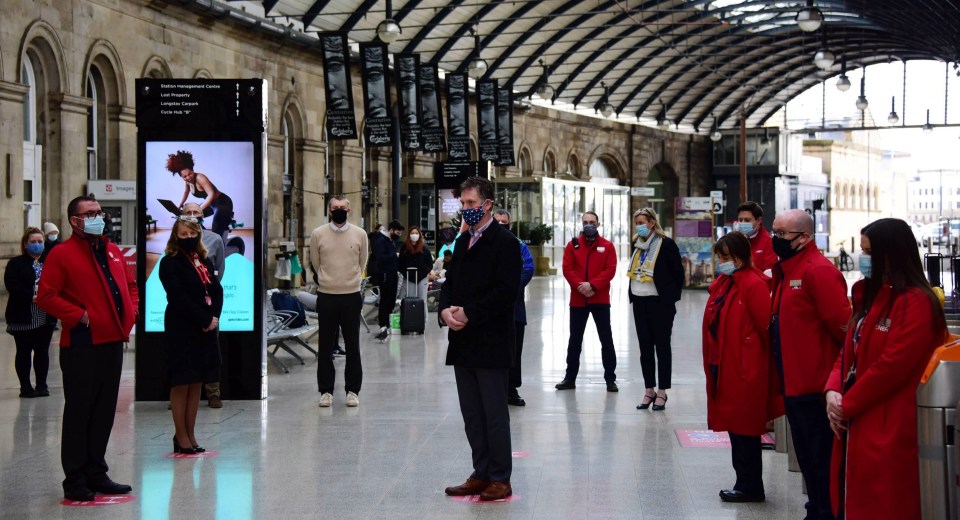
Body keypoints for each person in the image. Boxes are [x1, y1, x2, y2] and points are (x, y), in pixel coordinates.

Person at [824, 218, 946, 519]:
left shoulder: (916, 302)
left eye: (869, 252)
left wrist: (847, 404)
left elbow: (893, 365)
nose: (863, 259)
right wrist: (832, 390)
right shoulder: (874, 296)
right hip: (861, 416)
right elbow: (849, 349)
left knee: (887, 502)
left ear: (891, 254)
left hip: (891, 421)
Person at [36, 195, 138, 502]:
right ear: (74, 221)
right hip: (82, 344)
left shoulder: (111, 249)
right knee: (80, 411)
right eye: (90, 213)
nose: (98, 217)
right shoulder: (61, 254)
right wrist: (81, 316)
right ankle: (75, 478)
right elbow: (47, 296)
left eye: (99, 212)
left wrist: (130, 312)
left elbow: (130, 286)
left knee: (105, 410)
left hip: (112, 342)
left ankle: (97, 471)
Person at [440, 177, 520, 502]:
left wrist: (470, 312)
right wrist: (445, 310)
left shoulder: (505, 243)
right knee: (472, 414)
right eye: (463, 204)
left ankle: (500, 478)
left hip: (491, 340)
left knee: (494, 414)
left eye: (471, 204)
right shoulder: (461, 243)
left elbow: (506, 293)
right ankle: (480, 472)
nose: (466, 209)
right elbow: (449, 281)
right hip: (462, 341)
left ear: (487, 205)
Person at [770, 208, 850, 520]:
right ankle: (816, 507)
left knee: (820, 455)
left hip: (814, 382)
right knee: (806, 452)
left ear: (804, 237)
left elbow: (841, 325)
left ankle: (826, 511)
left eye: (782, 234)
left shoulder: (817, 271)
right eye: (775, 231)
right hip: (793, 378)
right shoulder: (788, 269)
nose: (776, 239)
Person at [702, 232, 784, 503]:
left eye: (725, 257)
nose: (721, 262)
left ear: (739, 256)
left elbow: (766, 329)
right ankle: (744, 482)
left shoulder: (752, 283)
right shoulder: (727, 282)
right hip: (727, 366)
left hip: (746, 369)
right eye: (719, 257)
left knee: (745, 430)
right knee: (736, 429)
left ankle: (750, 486)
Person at [158, 217, 223, 455]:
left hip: (205, 328)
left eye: (191, 234)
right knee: (181, 382)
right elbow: (178, 298)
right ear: (176, 236)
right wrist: (204, 320)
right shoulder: (169, 263)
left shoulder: (202, 260)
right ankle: (181, 436)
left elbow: (216, 290)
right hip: (182, 326)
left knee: (196, 381)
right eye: (183, 234)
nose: (187, 238)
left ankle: (191, 433)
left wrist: (213, 317)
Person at [308, 196, 368, 407]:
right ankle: (326, 391)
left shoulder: (360, 234)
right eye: (335, 208)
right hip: (326, 295)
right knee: (325, 346)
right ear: (329, 210)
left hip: (351, 295)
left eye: (343, 208)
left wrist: (350, 280)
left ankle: (353, 390)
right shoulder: (318, 234)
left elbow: (362, 262)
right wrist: (328, 279)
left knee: (353, 345)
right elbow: (316, 263)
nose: (339, 210)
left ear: (349, 210)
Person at [556, 211, 620, 393]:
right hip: (578, 300)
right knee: (574, 340)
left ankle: (610, 379)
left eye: (592, 222)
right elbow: (567, 269)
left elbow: (610, 270)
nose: (588, 225)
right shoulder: (572, 246)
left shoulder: (607, 246)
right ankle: (570, 378)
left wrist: (592, 285)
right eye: (585, 222)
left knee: (606, 339)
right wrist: (580, 286)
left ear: (598, 224)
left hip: (600, 299)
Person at [628, 208, 684, 410]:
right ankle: (648, 389)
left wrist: (670, 302)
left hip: (659, 303)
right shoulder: (637, 244)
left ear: (652, 223)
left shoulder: (666, 244)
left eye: (642, 222)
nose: (639, 226)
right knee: (645, 349)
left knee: (662, 347)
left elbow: (678, 274)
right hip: (640, 300)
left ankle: (662, 391)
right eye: (637, 223)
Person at [182, 202, 226, 408]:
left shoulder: (214, 240)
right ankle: (181, 393)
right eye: (188, 213)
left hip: (207, 306)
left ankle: (213, 393)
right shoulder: (175, 242)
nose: (192, 216)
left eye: (196, 213)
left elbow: (219, 272)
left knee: (211, 350)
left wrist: (213, 312)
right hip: (184, 306)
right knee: (184, 351)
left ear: (203, 216)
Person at [4, 227, 57, 398]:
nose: (37, 245)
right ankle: (25, 387)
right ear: (25, 244)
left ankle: (42, 385)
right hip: (23, 313)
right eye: (33, 242)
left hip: (45, 314)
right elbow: (11, 285)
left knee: (42, 351)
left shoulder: (50, 262)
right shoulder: (16, 263)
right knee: (24, 351)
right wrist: (30, 296)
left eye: (40, 241)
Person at [492, 209, 535, 406]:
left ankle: (511, 388)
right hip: (490, 309)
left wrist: (509, 289)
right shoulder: (485, 243)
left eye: (504, 222)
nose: (501, 224)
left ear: (510, 223)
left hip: (514, 307)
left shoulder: (519, 245)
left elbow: (528, 267)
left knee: (514, 350)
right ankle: (493, 389)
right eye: (497, 221)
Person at [168, 150, 235, 237]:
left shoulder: (200, 177)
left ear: (193, 170)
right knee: (187, 217)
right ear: (181, 177)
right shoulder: (188, 181)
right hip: (211, 204)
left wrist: (199, 210)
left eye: (190, 174)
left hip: (223, 203)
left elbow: (211, 194)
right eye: (185, 176)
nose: (188, 177)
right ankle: (206, 238)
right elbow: (186, 192)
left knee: (216, 229)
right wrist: (180, 205)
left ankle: (217, 243)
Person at [371, 220, 404, 342]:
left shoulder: (391, 241)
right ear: (391, 230)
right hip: (384, 274)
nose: (398, 235)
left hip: (392, 273)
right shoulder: (381, 241)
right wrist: (394, 255)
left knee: (391, 299)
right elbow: (380, 257)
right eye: (397, 232)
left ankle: (387, 324)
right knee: (385, 299)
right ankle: (383, 324)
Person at [398, 225, 435, 323]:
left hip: (422, 277)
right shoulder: (404, 247)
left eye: (416, 233)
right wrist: (405, 274)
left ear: (419, 235)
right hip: (409, 277)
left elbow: (429, 264)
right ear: (409, 235)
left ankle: (423, 320)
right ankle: (410, 319)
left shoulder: (424, 248)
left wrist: (424, 271)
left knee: (423, 299)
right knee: (410, 298)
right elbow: (400, 263)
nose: (414, 235)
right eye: (412, 233)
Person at [735, 201, 778, 272]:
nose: (742, 223)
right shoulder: (736, 240)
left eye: (747, 220)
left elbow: (769, 273)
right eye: (740, 220)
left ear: (759, 220)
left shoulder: (769, 242)